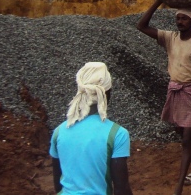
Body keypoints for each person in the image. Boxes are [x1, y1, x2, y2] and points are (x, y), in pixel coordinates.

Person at [136, 0, 191, 194]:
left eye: (184, 19)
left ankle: (178, 187)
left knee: (187, 137)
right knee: (184, 135)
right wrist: (157, 2)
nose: (180, 22)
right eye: (178, 18)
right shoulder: (169, 37)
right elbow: (141, 25)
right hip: (174, 90)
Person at [50, 62, 132, 195]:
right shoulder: (117, 134)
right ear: (108, 93)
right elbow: (121, 189)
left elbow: (58, 185)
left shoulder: (59, 132)